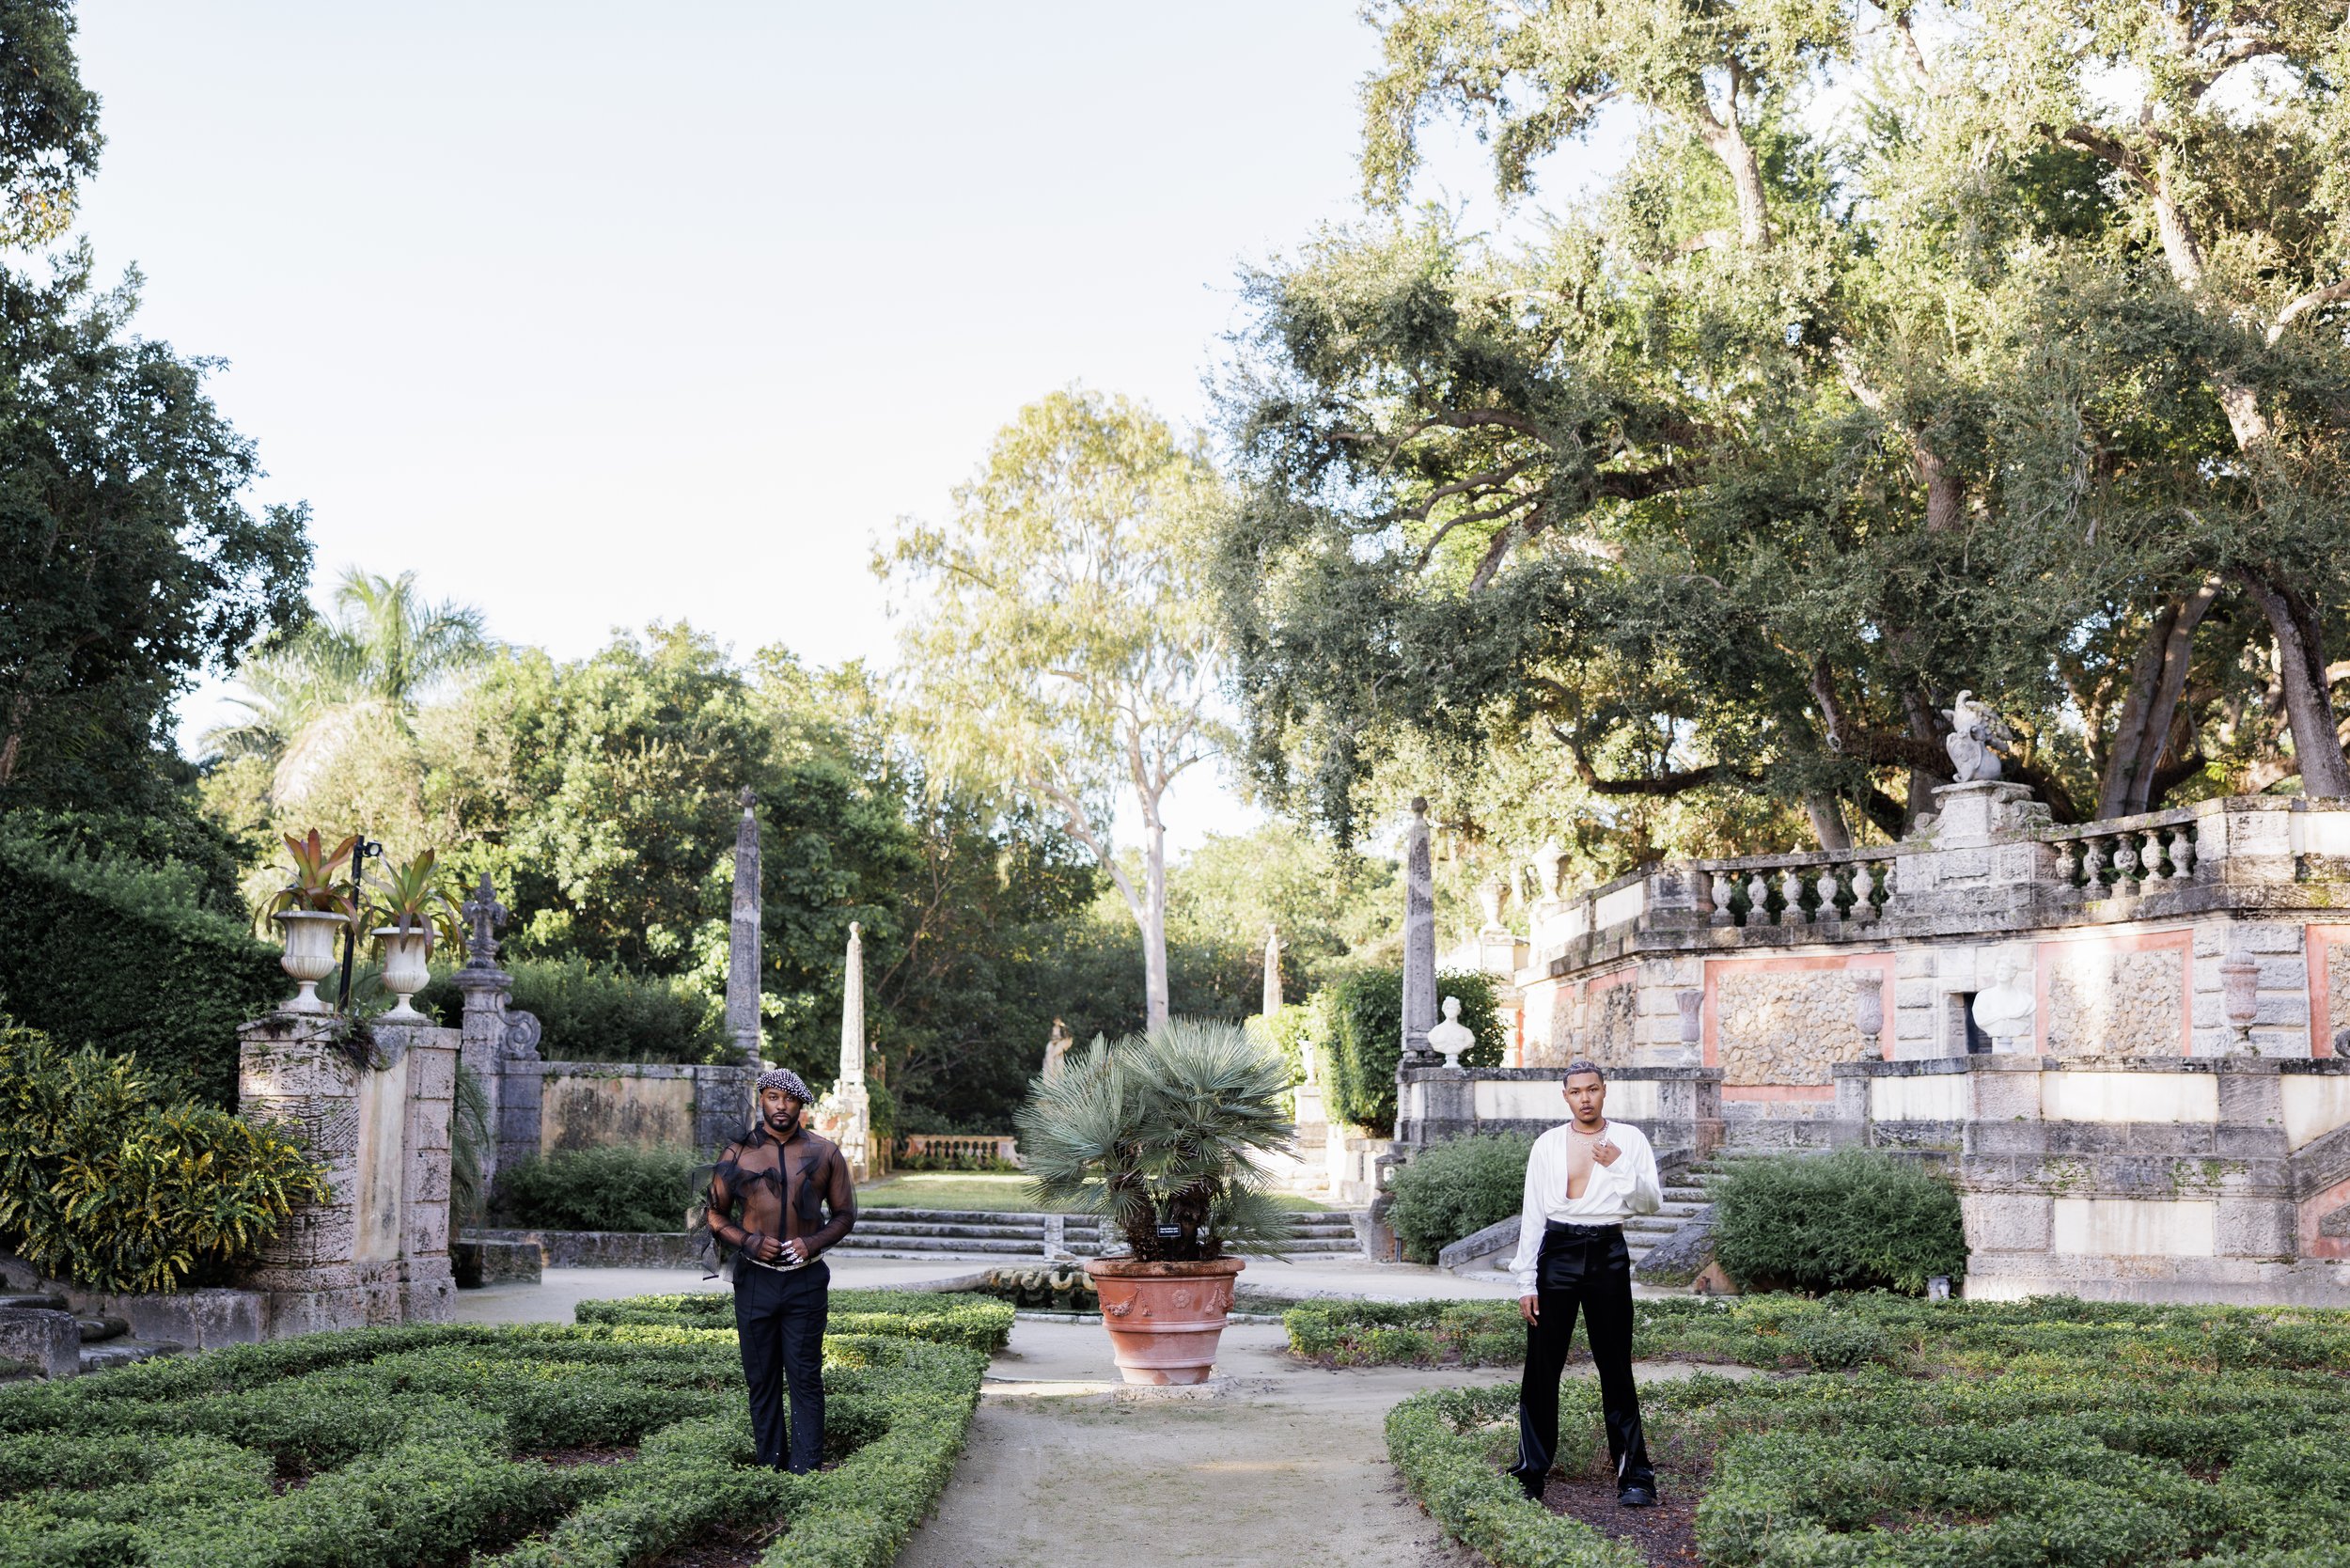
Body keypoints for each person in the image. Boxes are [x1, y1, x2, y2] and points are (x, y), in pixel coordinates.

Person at [1506, 1058, 1663, 1507]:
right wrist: (1525, 1281)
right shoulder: (1548, 1145)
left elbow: (1650, 1202)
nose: (1585, 1098)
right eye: (1576, 1092)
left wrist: (1618, 1167)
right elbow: (1533, 1216)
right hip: (1556, 1254)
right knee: (1541, 1368)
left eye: (1592, 1089)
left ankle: (1635, 1475)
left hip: (1608, 1255)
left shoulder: (1628, 1140)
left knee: (1615, 1366)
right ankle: (1529, 1472)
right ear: (1566, 1096)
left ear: (1604, 1090)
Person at [704, 1067, 857, 1472]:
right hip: (754, 1279)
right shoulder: (738, 1153)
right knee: (762, 1378)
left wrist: (811, 1242)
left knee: (805, 1378)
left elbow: (845, 1215)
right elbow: (714, 1215)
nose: (781, 1106)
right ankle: (769, 1467)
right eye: (773, 1097)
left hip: (806, 1281)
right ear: (762, 1100)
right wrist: (750, 1241)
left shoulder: (825, 1153)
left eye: (789, 1099)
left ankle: (805, 1471)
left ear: (800, 1104)